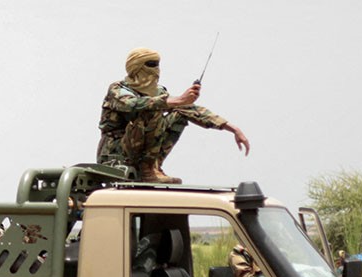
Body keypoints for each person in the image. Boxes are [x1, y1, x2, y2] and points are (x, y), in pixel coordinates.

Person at [96, 47, 250, 184]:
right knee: (153, 110)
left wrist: (232, 128)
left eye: (158, 64)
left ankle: (153, 166)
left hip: (141, 151)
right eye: (151, 64)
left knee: (180, 113)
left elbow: (188, 109)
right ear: (135, 67)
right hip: (115, 152)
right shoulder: (117, 89)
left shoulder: (158, 92)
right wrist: (177, 100)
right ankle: (147, 168)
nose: (156, 69)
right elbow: (133, 104)